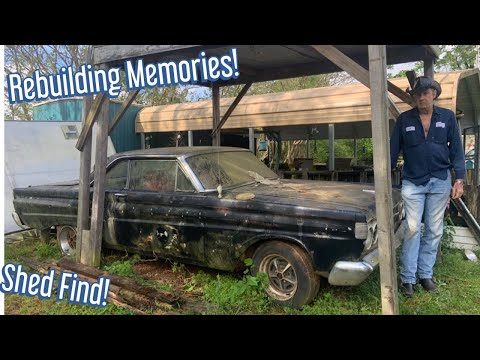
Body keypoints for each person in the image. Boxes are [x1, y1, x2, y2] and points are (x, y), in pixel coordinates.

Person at [390, 75, 466, 297]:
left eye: (425, 93)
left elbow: (457, 151)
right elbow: (392, 150)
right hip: (413, 181)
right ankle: (407, 279)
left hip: (441, 180)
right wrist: (385, 177)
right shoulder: (404, 120)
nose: (421, 97)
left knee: (434, 230)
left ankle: (425, 274)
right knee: (412, 228)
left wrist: (459, 179)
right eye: (417, 94)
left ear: (434, 94)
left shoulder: (448, 118)